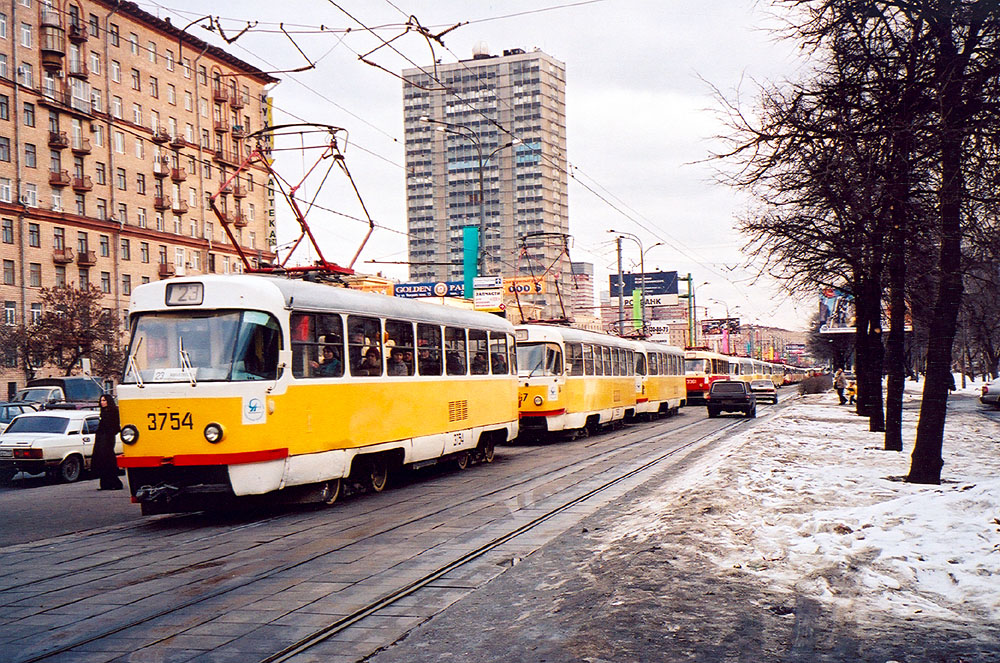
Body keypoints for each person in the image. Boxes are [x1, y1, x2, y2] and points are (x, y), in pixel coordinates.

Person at [93, 394, 123, 490]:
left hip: (108, 438)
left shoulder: (113, 412)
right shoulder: (103, 412)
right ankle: (105, 484)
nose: (102, 402)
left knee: (108, 460)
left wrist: (109, 433)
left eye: (104, 400)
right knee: (101, 460)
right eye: (101, 400)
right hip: (101, 438)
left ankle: (115, 483)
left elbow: (116, 427)